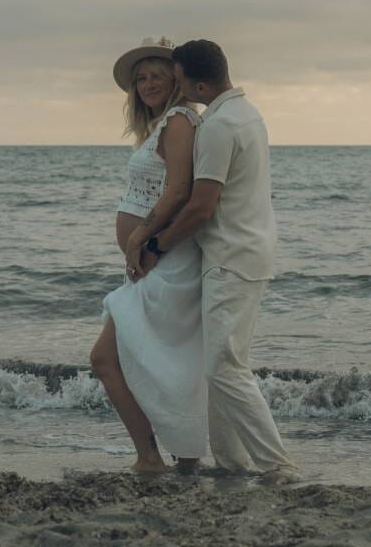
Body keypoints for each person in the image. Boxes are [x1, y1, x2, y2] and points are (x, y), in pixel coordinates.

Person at [134, 39, 300, 483]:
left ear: (198, 81)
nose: (177, 87)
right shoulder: (247, 114)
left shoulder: (220, 125)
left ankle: (277, 464)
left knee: (224, 367)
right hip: (247, 249)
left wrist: (156, 245)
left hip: (231, 255)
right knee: (220, 364)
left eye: (180, 78)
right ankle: (231, 463)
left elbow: (200, 207)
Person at [90, 37, 207, 474]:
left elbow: (180, 190)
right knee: (156, 362)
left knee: (107, 359)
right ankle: (176, 458)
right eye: (141, 78)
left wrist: (140, 236)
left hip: (165, 259)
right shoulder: (160, 126)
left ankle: (153, 458)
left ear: (175, 80)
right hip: (151, 262)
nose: (148, 84)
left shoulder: (178, 121)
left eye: (157, 75)